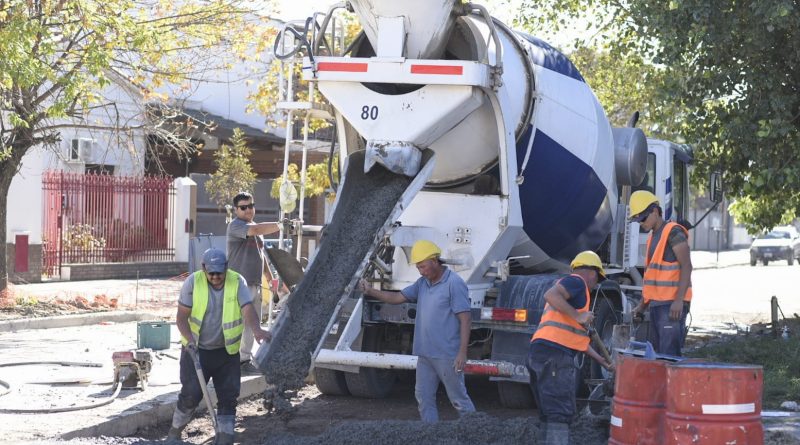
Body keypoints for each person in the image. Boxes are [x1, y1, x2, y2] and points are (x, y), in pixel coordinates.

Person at [358, 240, 476, 423]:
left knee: (458, 399)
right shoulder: (422, 283)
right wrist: (371, 291)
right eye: (418, 268)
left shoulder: (454, 283)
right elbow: (397, 297)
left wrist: (462, 352)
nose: (420, 271)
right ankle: (430, 435)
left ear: (435, 261)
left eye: (422, 266)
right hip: (425, 353)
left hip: (447, 355)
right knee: (423, 397)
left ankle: (476, 432)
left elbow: (465, 318)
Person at [167, 248, 271, 445]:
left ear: (226, 267)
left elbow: (247, 308)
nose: (215, 277)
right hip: (196, 351)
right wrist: (189, 341)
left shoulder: (237, 281)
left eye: (219, 272)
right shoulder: (193, 282)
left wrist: (257, 330)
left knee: (228, 395)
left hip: (227, 352)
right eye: (211, 272)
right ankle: (175, 431)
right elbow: (182, 318)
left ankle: (225, 436)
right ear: (204, 268)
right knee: (191, 394)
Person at [527, 251, 614, 445]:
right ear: (592, 273)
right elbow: (550, 294)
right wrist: (578, 316)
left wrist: (601, 360)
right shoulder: (577, 282)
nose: (595, 285)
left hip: (540, 354)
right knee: (560, 413)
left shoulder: (570, 299)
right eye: (597, 279)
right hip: (555, 357)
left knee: (549, 412)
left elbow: (574, 339)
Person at [629, 190, 693, 357]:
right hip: (658, 306)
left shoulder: (673, 232)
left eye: (643, 218)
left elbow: (687, 266)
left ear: (655, 211)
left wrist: (679, 301)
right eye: (637, 220)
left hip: (672, 306)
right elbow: (653, 278)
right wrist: (642, 306)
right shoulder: (653, 238)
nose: (641, 223)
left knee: (669, 357)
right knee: (658, 357)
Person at [226, 192, 280, 371]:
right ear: (236, 210)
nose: (248, 210)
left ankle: (244, 360)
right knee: (237, 323)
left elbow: (261, 256)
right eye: (243, 207)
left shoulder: (256, 227)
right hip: (238, 283)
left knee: (252, 323)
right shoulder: (235, 226)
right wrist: (281, 225)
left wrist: (271, 279)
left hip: (254, 283)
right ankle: (229, 359)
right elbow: (255, 231)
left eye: (251, 205)